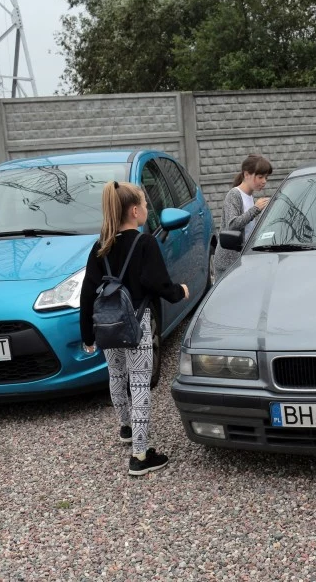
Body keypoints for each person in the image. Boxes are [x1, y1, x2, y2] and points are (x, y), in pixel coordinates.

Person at [80, 181, 189, 476]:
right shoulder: (145, 243)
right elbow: (159, 283)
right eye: (143, 203)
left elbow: (87, 293)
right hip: (136, 324)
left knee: (116, 375)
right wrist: (179, 291)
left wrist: (87, 335)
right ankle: (140, 456)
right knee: (139, 383)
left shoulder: (100, 246)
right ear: (136, 210)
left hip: (107, 324)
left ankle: (126, 428)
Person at [213, 154, 273, 280]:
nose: (264, 181)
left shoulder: (250, 196)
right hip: (229, 264)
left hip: (243, 261)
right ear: (246, 175)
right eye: (260, 177)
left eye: (266, 177)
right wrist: (255, 209)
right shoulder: (234, 195)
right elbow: (232, 225)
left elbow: (249, 228)